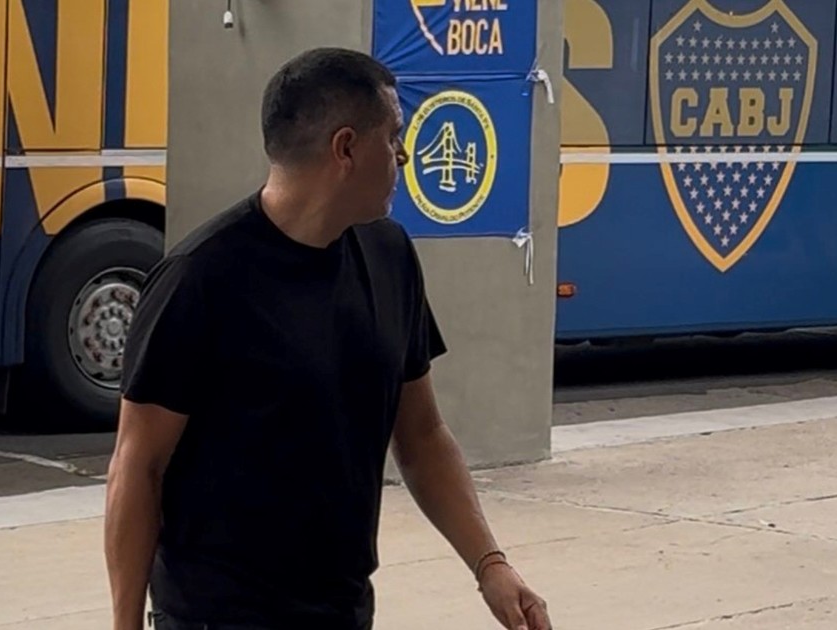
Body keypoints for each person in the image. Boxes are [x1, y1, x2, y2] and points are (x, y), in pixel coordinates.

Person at [104, 48, 552, 630]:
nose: (404, 156)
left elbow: (422, 436)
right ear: (346, 149)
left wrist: (490, 565)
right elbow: (137, 466)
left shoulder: (389, 256)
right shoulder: (199, 279)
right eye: (393, 138)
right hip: (217, 616)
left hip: (343, 610)